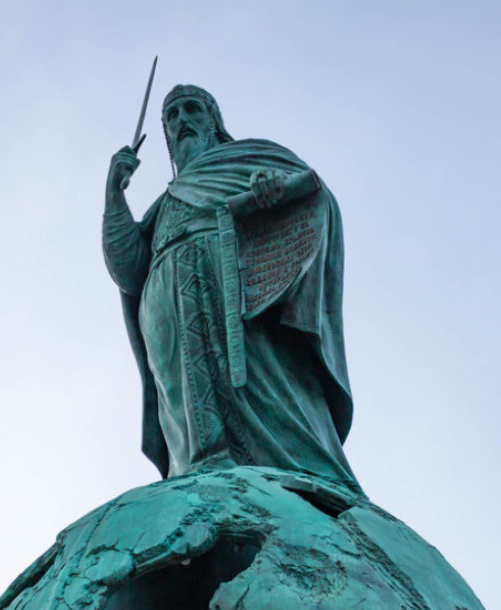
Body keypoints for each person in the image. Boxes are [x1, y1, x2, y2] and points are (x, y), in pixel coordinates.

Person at [102, 84, 358, 492]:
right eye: (172, 116)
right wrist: (114, 195)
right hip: (167, 317)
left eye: (192, 110)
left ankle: (303, 477)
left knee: (268, 396)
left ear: (213, 121)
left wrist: (269, 189)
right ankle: (196, 472)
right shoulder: (163, 206)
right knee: (185, 410)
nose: (182, 120)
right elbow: (129, 270)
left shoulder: (247, 160)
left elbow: (314, 194)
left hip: (236, 295)